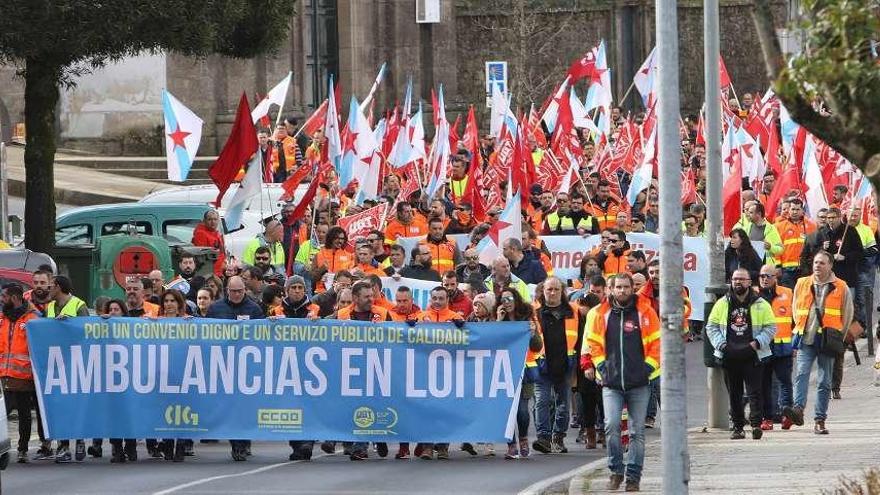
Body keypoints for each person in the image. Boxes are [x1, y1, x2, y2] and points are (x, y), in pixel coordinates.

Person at [584, 273, 660, 492]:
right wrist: (601, 367)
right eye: (619, 287)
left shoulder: (646, 312)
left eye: (626, 287)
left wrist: (646, 368)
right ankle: (616, 471)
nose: (623, 290)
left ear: (631, 289)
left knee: (637, 431)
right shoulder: (601, 313)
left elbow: (657, 343)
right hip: (611, 382)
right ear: (612, 288)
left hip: (640, 383)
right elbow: (594, 343)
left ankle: (634, 477)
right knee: (611, 426)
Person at [784, 251, 853, 435]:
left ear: (830, 265)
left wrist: (838, 336)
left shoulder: (841, 286)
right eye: (815, 262)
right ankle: (798, 409)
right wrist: (799, 326)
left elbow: (847, 315)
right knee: (801, 374)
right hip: (806, 337)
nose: (817, 266)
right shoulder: (802, 283)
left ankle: (820, 419)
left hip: (828, 341)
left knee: (824, 381)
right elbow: (795, 308)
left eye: (822, 263)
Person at [705, 268, 777, 441]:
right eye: (735, 279)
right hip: (729, 355)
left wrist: (757, 343)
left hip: (753, 354)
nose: (738, 282)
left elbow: (771, 327)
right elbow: (711, 327)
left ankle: (755, 425)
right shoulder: (722, 303)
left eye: (742, 279)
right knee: (734, 394)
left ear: (749, 282)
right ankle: (738, 427)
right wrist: (721, 344)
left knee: (755, 393)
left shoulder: (761, 303)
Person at [206, 276, 265, 460]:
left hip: (247, 366)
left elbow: (263, 335)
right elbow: (205, 332)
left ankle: (244, 440)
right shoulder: (216, 309)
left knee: (245, 406)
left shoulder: (254, 308)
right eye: (234, 291)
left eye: (240, 291)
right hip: (223, 365)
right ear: (227, 291)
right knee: (230, 406)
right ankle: (236, 444)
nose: (238, 294)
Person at [336, 281, 392, 460]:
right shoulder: (342, 315)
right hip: (350, 369)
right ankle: (371, 439)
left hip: (377, 369)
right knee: (355, 407)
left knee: (368, 406)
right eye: (366, 296)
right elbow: (324, 331)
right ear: (355, 298)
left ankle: (363, 444)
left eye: (372, 295)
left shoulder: (382, 313)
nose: (371, 299)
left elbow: (396, 336)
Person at [531, 277, 581, 455]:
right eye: (549, 289)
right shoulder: (533, 311)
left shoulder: (573, 311)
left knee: (563, 404)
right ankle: (543, 437)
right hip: (541, 363)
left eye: (556, 289)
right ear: (543, 291)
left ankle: (558, 437)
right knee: (542, 401)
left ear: (562, 291)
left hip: (565, 364)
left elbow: (580, 337)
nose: (552, 293)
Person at [45, 275, 89, 463]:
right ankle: (63, 446)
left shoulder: (79, 305)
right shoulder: (49, 307)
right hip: (56, 364)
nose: (48, 290)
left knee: (77, 404)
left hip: (76, 363)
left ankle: (79, 440)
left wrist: (69, 324)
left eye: (51, 286)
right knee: (60, 406)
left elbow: (88, 331)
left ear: (59, 287)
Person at [0, 283, 43, 463]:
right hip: (4, 375)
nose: (2, 299)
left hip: (25, 376)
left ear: (14, 298)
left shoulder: (33, 318)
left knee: (24, 414)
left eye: (4, 296)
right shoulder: (2, 318)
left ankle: (23, 449)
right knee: (4, 412)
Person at [498, 288, 542, 459]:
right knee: (508, 411)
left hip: (526, 370)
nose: (506, 302)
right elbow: (493, 342)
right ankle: (511, 444)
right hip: (504, 371)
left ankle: (523, 438)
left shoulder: (528, 319)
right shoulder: (500, 320)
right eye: (503, 300)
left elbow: (537, 346)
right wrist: (498, 321)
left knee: (522, 411)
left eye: (509, 298)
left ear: (516, 300)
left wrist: (532, 334)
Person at [757, 264, 795, 430]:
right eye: (762, 276)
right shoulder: (754, 295)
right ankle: (767, 418)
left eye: (768, 276)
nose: (765, 279)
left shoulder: (787, 293)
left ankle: (787, 415)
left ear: (776, 278)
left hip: (783, 346)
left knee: (785, 381)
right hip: (763, 347)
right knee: (764, 383)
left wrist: (795, 342)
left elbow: (795, 318)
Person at [157, 290, 191, 461]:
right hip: (163, 374)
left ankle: (181, 444)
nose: (169, 304)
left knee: (182, 409)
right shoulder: (154, 323)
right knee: (165, 409)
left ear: (179, 304)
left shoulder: (189, 323)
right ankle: (167, 442)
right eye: (166, 301)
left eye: (172, 301)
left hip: (183, 373)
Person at [775, 198, 816, 288]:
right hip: (786, 270)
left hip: (805, 268)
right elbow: (776, 248)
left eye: (797, 209)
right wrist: (777, 266)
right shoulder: (779, 226)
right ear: (789, 210)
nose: (795, 212)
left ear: (802, 211)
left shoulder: (812, 226)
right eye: (793, 209)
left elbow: (814, 247)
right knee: (789, 296)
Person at [734, 202, 784, 266]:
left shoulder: (771, 229)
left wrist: (770, 247)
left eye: (751, 213)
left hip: (765, 268)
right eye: (748, 212)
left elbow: (780, 249)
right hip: (749, 266)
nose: (748, 214)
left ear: (759, 214)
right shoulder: (746, 228)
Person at [311, 226, 354, 292]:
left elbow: (352, 278)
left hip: (341, 293)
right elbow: (312, 278)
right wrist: (321, 270)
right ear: (331, 238)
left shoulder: (349, 256)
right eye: (337, 238)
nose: (340, 241)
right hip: (322, 293)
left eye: (342, 239)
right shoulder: (319, 254)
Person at [191, 209, 226, 275]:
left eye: (215, 219)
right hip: (211, 273)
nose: (213, 222)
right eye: (210, 219)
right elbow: (203, 257)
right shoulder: (201, 234)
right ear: (204, 221)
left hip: (220, 271)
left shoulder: (216, 233)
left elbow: (221, 251)